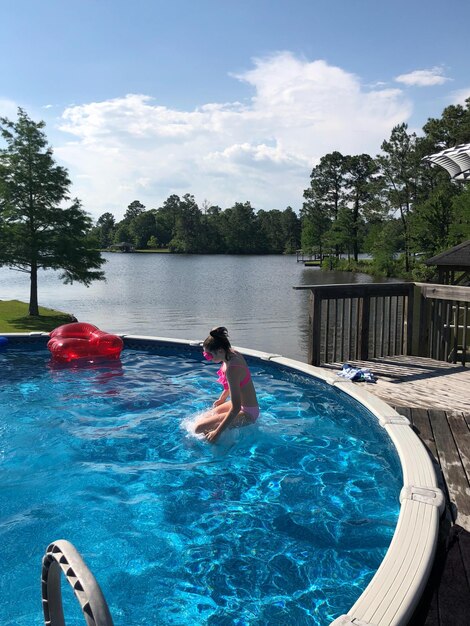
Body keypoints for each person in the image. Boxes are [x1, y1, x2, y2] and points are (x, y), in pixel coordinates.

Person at [195, 327, 259, 442]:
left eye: (209, 355)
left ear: (220, 351)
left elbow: (236, 407)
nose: (208, 358)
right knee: (204, 418)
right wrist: (222, 398)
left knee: (198, 429)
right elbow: (235, 383)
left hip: (248, 413)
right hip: (244, 405)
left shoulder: (232, 369)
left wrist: (217, 433)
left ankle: (224, 448)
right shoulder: (231, 354)